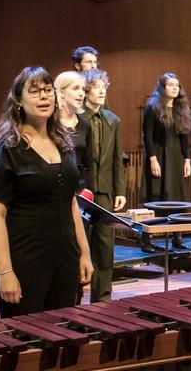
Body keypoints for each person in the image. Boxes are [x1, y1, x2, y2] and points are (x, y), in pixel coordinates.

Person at [0, 66, 93, 317]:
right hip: (25, 261)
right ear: (19, 101)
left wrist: (84, 253)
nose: (44, 97)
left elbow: (70, 203)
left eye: (47, 90)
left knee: (61, 335)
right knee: (23, 342)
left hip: (65, 259)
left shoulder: (63, 143)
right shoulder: (8, 149)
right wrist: (5, 272)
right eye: (34, 92)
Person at [81, 68, 126, 300]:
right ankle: (73, 296)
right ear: (86, 88)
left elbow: (118, 158)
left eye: (103, 87)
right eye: (96, 86)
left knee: (105, 246)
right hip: (81, 192)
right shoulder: (76, 118)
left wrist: (120, 190)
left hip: (106, 191)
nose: (101, 91)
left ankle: (102, 298)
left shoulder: (113, 120)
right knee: (79, 245)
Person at [142, 73, 191, 208]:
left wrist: (187, 160)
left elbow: (185, 136)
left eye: (177, 85)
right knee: (159, 195)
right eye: (170, 85)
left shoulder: (181, 109)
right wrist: (153, 160)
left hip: (177, 158)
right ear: (162, 88)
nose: (175, 88)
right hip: (159, 156)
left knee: (177, 196)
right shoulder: (152, 108)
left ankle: (177, 228)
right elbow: (147, 137)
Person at [54, 71, 92, 186]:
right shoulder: (49, 123)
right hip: (53, 188)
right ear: (61, 92)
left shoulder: (85, 124)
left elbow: (89, 164)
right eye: (76, 88)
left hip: (78, 189)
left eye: (83, 89)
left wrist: (89, 191)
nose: (81, 94)